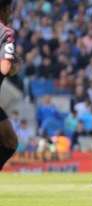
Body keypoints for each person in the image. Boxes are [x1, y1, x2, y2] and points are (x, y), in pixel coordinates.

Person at [0, 0, 18, 170]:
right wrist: (12, 65)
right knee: (10, 142)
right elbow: (4, 67)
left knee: (9, 139)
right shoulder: (6, 33)